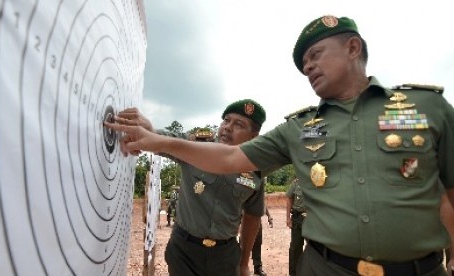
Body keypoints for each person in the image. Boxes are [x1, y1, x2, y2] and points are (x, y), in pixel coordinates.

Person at [105, 15, 454, 276]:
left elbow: (449, 192)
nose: (309, 67)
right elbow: (228, 156)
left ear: (353, 47)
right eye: (304, 65)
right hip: (324, 269)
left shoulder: (427, 108)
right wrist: (154, 137)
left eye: (316, 55)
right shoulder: (298, 129)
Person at [110, 99, 267, 276]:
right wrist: (149, 130)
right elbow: (164, 141)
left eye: (238, 124)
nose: (227, 127)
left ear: (253, 136)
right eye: (226, 120)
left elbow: (253, 216)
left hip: (225, 255)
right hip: (184, 250)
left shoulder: (256, 169)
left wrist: (244, 263)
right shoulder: (196, 145)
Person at [285, 178, 306, 276]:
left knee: (315, 248)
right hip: (298, 218)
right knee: (295, 247)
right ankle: (294, 273)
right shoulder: (297, 182)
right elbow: (289, 198)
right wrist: (288, 218)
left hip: (313, 219)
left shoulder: (318, 180)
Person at [251, 205, 273, 276]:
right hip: (245, 220)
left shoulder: (258, 194)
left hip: (257, 221)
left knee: (257, 244)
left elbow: (262, 203)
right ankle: (239, 267)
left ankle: (257, 267)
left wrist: (269, 216)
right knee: (243, 246)